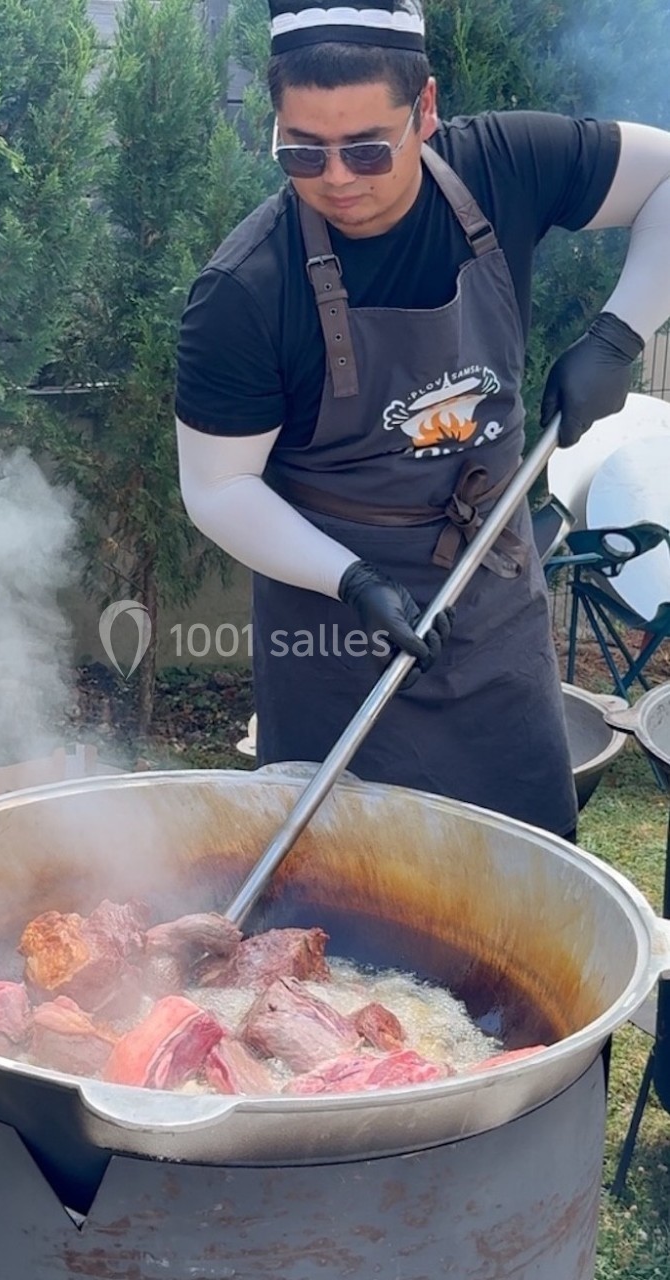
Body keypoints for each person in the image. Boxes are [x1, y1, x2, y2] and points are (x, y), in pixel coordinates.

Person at [174, 0, 670, 840]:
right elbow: (218, 488)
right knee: (341, 888)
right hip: (331, 614)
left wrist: (621, 334)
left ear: (426, 110)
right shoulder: (244, 292)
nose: (337, 177)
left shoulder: (501, 164)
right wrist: (355, 581)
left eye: (369, 147)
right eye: (302, 151)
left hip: (492, 584)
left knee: (523, 868)